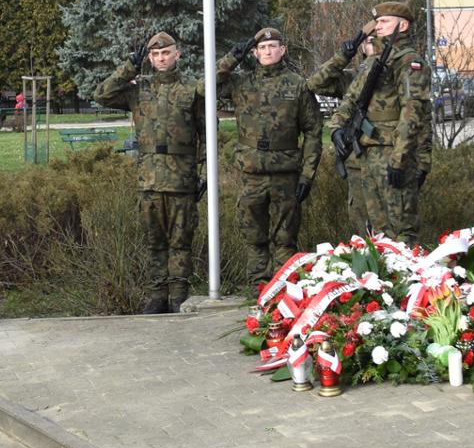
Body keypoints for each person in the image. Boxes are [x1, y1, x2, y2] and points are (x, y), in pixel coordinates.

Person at [95, 31, 205, 314]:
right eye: (155, 55)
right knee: (154, 242)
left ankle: (178, 297)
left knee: (181, 242)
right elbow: (102, 94)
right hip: (150, 179)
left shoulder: (192, 89)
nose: (161, 58)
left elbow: (207, 132)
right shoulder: (138, 89)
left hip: (181, 179)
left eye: (165, 53)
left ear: (177, 54)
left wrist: (203, 172)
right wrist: (129, 68)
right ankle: (157, 297)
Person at [217, 27, 323, 287]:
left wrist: (307, 174)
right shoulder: (241, 83)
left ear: (282, 50)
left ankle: (283, 286)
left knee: (285, 236)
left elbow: (313, 130)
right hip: (251, 171)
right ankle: (258, 286)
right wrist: (233, 57)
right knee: (253, 234)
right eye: (262, 48)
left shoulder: (297, 85)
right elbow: (208, 85)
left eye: (273, 46)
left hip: (285, 172)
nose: (267, 51)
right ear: (254, 53)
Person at [327, 3, 432, 243]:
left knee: (402, 229)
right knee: (377, 232)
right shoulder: (374, 61)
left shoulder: (409, 62)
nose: (378, 26)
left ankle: (405, 268)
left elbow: (412, 112)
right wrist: (336, 128)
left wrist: (399, 158)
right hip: (368, 152)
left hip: (392, 153)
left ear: (402, 25)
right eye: (377, 22)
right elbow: (352, 98)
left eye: (384, 21)